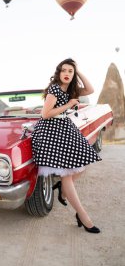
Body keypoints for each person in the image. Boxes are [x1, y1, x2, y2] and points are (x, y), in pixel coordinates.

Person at [31, 58, 101, 233]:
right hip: (50, 131)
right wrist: (69, 105)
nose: (67, 74)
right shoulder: (54, 88)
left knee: (81, 166)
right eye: (64, 70)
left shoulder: (71, 89)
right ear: (58, 73)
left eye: (70, 71)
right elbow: (45, 114)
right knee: (68, 174)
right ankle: (83, 216)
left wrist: (78, 70)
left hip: (64, 127)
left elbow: (90, 89)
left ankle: (62, 188)